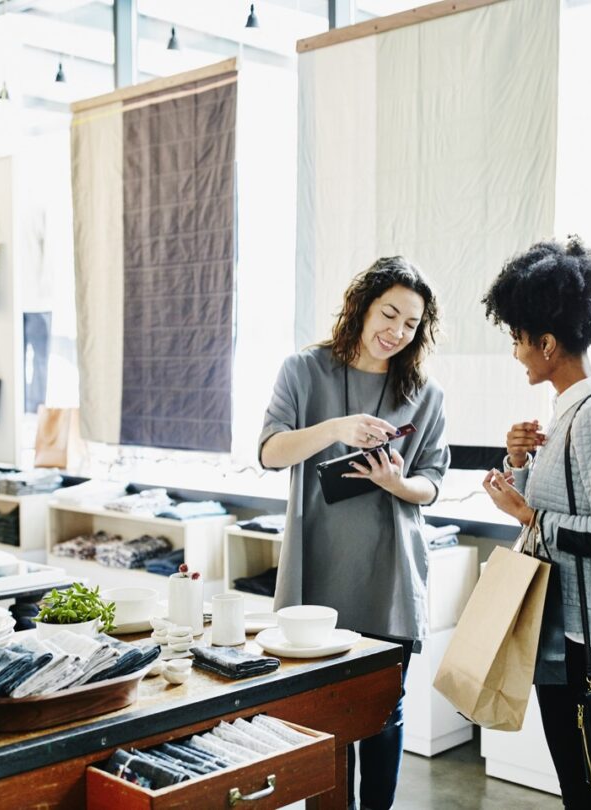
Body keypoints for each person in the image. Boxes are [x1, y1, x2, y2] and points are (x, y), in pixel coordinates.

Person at [259, 256, 450, 810]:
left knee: (383, 709)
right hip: (317, 566)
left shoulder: (426, 393)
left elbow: (433, 483)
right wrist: (336, 429)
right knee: (319, 711)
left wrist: (397, 482)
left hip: (389, 570)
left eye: (411, 324)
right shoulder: (303, 370)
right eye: (388, 313)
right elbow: (271, 453)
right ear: (361, 307)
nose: (396, 331)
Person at [479, 237, 591, 810]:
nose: (518, 353)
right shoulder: (569, 409)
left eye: (519, 340)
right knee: (580, 783)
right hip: (565, 627)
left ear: (546, 344)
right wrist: (520, 466)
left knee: (587, 787)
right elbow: (560, 510)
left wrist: (527, 514)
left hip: (584, 641)